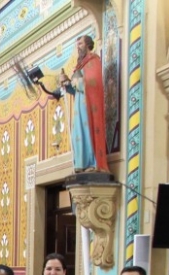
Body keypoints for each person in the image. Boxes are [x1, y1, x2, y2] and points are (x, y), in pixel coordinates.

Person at [57, 35, 109, 173]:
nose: (78, 47)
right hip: (79, 106)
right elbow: (75, 90)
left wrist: (76, 82)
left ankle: (92, 162)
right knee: (77, 133)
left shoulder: (94, 61)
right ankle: (81, 163)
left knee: (87, 131)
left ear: (88, 45)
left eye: (80, 43)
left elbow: (94, 82)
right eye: (77, 44)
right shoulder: (80, 65)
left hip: (89, 106)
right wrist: (67, 84)